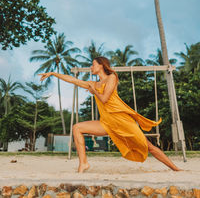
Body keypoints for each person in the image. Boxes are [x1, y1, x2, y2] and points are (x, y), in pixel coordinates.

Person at [39, 56, 181, 173]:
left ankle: (175, 168)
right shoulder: (93, 84)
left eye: (93, 65)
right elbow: (73, 80)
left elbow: (105, 98)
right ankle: (83, 164)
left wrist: (94, 92)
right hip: (106, 123)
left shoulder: (112, 77)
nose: (91, 67)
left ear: (101, 65)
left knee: (148, 146)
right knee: (77, 127)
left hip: (122, 122)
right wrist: (53, 74)